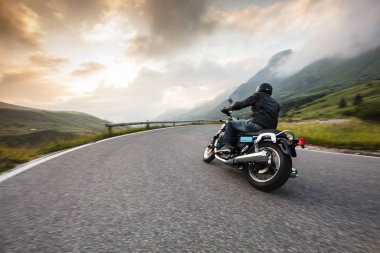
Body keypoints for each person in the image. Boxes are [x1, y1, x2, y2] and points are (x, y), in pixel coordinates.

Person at [220, 83, 280, 150]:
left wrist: (228, 108)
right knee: (244, 122)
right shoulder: (276, 103)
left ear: (259, 89)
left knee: (230, 123)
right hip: (271, 128)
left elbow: (241, 104)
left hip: (257, 124)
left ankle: (225, 146)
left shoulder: (258, 96)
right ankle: (242, 145)